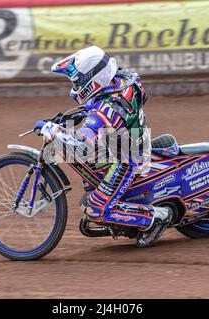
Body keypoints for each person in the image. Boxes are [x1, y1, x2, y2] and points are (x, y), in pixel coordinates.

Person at [33, 46, 172, 247]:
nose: (75, 85)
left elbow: (81, 142)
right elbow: (102, 101)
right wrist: (79, 114)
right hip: (122, 143)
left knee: (95, 209)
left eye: (78, 80)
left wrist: (52, 130)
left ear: (93, 79)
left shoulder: (109, 109)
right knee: (88, 175)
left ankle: (155, 218)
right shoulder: (124, 79)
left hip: (125, 159)